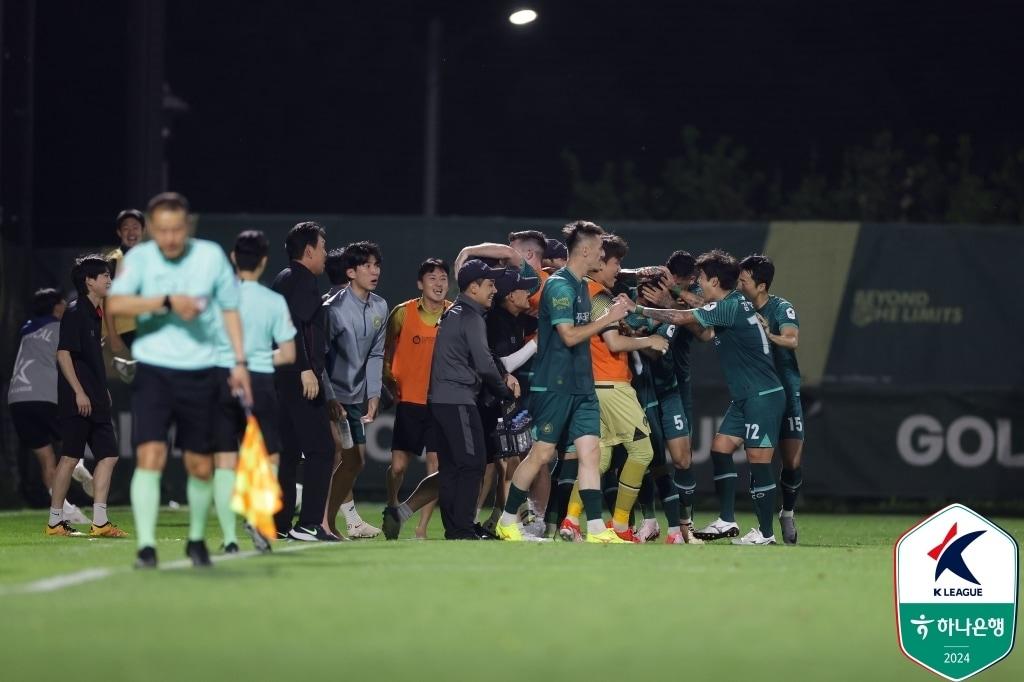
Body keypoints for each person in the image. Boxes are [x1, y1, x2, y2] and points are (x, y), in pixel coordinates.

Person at [107, 192, 252, 568]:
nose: (170, 238)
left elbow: (231, 309)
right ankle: (146, 546)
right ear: (152, 230)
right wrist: (166, 301)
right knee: (150, 456)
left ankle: (197, 539)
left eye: (176, 230)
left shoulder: (209, 256)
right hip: (154, 370)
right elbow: (117, 304)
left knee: (199, 465)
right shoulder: (139, 259)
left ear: (186, 227)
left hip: (201, 371)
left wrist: (238, 362)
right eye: (162, 230)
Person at [629, 249, 785, 545]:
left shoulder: (729, 307)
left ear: (714, 280)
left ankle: (765, 534)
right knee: (720, 448)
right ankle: (727, 520)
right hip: (745, 397)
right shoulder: (734, 302)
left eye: (702, 278)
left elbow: (680, 315)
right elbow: (700, 310)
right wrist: (674, 291)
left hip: (762, 396)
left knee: (759, 461)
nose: (699, 283)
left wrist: (636, 310)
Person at [495, 220, 632, 543]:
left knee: (590, 453)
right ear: (585, 250)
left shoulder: (582, 286)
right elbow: (568, 336)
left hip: (581, 386)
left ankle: (597, 529)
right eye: (600, 248)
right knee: (541, 454)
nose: (603, 253)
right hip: (554, 385)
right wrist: (607, 319)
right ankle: (506, 520)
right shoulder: (559, 286)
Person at [558, 234, 666, 543]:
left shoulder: (580, 291)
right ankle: (619, 525)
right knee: (643, 451)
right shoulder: (600, 296)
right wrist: (648, 340)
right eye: (616, 262)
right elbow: (613, 342)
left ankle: (570, 522)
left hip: (593, 386)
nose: (619, 269)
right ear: (598, 262)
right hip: (612, 385)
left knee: (599, 460)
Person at [210, 231, 297, 553]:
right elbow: (288, 355)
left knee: (224, 461)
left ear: (233, 257)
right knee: (269, 455)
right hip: (259, 381)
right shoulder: (273, 301)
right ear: (263, 261)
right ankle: (258, 519)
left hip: (222, 378)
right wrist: (258, 358)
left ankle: (230, 539)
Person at [429, 259, 518, 540]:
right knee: (472, 463)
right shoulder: (470, 316)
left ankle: (456, 528)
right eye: (490, 284)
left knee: (453, 466)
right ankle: (463, 528)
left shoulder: (454, 313)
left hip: (442, 400)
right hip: (457, 400)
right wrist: (504, 392)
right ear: (473, 287)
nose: (495, 290)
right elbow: (484, 363)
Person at [45, 256, 127, 538]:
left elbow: (90, 359)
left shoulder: (96, 312)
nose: (108, 279)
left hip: (96, 397)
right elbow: (63, 353)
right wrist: (79, 391)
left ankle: (100, 521)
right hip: (77, 399)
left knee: (109, 455)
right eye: (103, 275)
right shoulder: (76, 310)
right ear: (88, 281)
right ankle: (55, 522)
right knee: (69, 457)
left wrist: (100, 388)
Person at [269, 221, 338, 542]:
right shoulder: (302, 280)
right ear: (309, 250)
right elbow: (292, 327)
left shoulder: (284, 278)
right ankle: (309, 524)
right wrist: (304, 369)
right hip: (298, 377)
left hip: (281, 377)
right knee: (322, 449)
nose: (325, 253)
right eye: (322, 247)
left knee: (289, 452)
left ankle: (280, 523)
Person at [8, 289, 93, 524]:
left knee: (47, 459)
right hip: (45, 396)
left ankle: (65, 511)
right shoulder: (60, 328)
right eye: (63, 302)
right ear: (57, 307)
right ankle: (79, 464)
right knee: (76, 436)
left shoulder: (26, 329)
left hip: (18, 399)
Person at [381, 258, 451, 540]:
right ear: (420, 284)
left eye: (444, 278)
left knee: (436, 466)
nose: (439, 283)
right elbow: (384, 352)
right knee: (398, 467)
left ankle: (421, 529)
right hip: (409, 401)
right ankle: (392, 505)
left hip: (440, 402)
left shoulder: (454, 313)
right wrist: (389, 381)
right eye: (432, 278)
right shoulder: (402, 313)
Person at [322, 241, 387, 539]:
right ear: (350, 272)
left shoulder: (380, 306)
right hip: (329, 397)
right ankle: (323, 521)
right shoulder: (333, 309)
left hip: (354, 399)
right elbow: (318, 358)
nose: (374, 271)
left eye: (377, 265)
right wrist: (330, 397)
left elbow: (376, 354)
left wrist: (373, 394)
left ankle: (326, 520)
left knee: (353, 460)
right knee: (340, 457)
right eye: (367, 266)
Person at [738, 254, 803, 545]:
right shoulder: (739, 308)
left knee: (791, 460)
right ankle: (763, 527)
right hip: (758, 391)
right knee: (759, 457)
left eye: (744, 280)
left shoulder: (780, 307)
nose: (739, 284)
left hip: (786, 389)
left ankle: (787, 511)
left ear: (761, 285)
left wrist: (769, 333)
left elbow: (792, 340)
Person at [475, 266, 539, 537]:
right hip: (485, 403)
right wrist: (536, 343)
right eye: (524, 289)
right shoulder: (495, 320)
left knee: (507, 461)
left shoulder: (516, 317)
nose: (530, 293)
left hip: (497, 402)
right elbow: (501, 364)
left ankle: (502, 519)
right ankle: (505, 522)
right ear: (510, 296)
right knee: (493, 465)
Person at [105, 209, 145, 355]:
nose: (131, 232)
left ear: (143, 230)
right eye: (126, 228)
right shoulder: (114, 260)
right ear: (119, 232)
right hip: (127, 327)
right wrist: (113, 335)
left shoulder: (151, 256)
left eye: (135, 227)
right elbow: (108, 300)